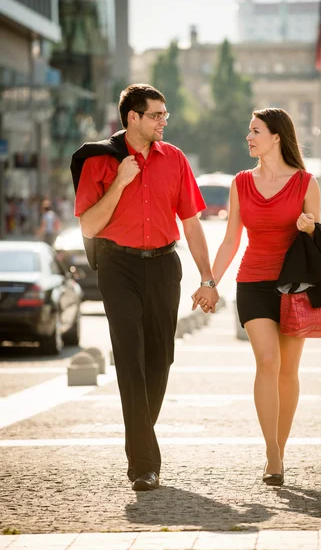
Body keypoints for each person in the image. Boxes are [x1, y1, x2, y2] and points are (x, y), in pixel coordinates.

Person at [72, 84, 219, 491]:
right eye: (156, 115)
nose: (163, 121)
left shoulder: (174, 159)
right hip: (117, 266)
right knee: (130, 361)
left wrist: (207, 279)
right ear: (132, 117)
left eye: (164, 115)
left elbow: (191, 224)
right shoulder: (100, 161)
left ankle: (138, 441)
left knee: (161, 360)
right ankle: (143, 464)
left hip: (163, 266)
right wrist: (120, 182)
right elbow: (88, 226)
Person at [192, 107, 320, 486]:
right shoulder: (241, 182)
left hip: (296, 286)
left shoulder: (306, 183)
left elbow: (320, 241)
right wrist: (210, 282)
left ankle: (280, 446)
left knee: (288, 370)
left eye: (255, 131)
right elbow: (231, 239)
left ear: (276, 136)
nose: (248, 138)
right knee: (267, 361)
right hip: (253, 283)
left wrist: (309, 228)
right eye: (248, 131)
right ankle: (272, 454)